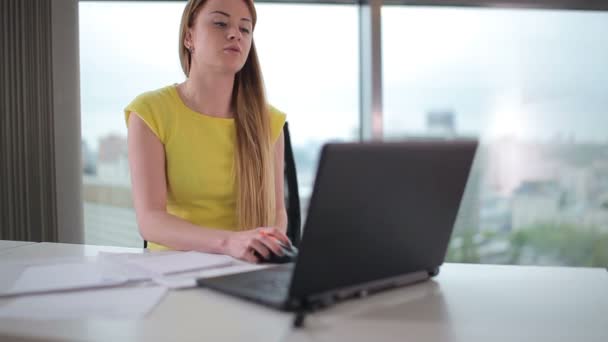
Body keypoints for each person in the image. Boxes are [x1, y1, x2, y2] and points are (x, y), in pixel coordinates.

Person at [124, 0, 291, 263]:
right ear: (189, 37)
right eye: (220, 23)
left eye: (245, 29)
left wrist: (266, 249)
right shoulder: (150, 112)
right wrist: (228, 243)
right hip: (171, 271)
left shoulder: (269, 121)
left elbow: (277, 213)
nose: (235, 33)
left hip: (244, 270)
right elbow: (150, 221)